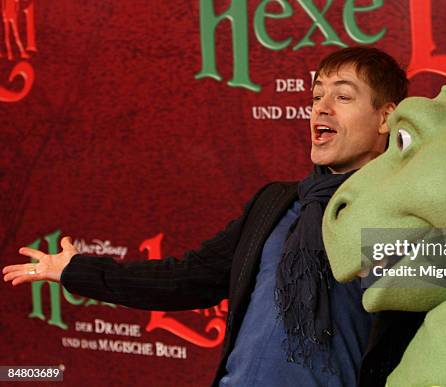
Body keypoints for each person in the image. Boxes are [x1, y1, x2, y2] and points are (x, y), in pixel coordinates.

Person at [3, 47, 423, 387]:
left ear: (386, 117)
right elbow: (187, 277)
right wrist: (78, 271)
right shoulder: (277, 203)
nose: (320, 109)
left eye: (343, 97)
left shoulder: (405, 215)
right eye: (316, 97)